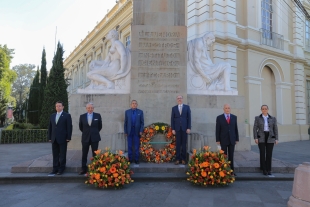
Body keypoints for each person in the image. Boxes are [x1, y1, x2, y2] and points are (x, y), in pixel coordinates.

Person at [48, 101, 72, 175]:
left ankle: (61, 168)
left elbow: (69, 127)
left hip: (63, 138)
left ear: (63, 107)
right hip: (54, 138)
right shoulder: (52, 115)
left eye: (59, 106)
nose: (58, 107)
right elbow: (50, 127)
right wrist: (49, 137)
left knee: (62, 154)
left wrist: (68, 137)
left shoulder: (67, 115)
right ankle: (55, 168)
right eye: (56, 106)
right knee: (55, 154)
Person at [253, 105, 278, 176]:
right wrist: (255, 138)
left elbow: (275, 129)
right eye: (263, 109)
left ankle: (268, 169)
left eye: (265, 109)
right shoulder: (257, 118)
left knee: (269, 154)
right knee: (262, 153)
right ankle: (263, 169)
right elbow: (255, 128)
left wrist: (276, 139)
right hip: (261, 137)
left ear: (268, 110)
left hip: (270, 137)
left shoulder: (273, 118)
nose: (264, 110)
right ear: (261, 110)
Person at [78, 102, 102, 175]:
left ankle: (95, 168)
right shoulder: (82, 116)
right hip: (85, 138)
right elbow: (81, 127)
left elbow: (99, 126)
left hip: (95, 137)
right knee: (84, 154)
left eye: (91, 108)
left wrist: (93, 132)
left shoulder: (98, 116)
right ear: (86, 108)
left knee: (95, 154)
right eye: (88, 108)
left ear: (93, 108)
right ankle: (83, 168)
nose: (90, 109)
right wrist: (87, 132)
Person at [216, 104, 239, 176]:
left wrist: (237, 138)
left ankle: (231, 171)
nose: (227, 109)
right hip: (223, 139)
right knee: (224, 155)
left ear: (230, 109)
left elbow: (235, 128)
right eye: (226, 108)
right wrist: (218, 139)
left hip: (232, 139)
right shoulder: (219, 118)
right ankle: (224, 171)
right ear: (223, 109)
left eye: (229, 108)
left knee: (231, 155)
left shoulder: (234, 117)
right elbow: (217, 130)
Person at [171, 95, 191, 165]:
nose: (179, 99)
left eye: (180, 98)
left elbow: (189, 118)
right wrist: (173, 129)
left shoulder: (187, 107)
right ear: (177, 100)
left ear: (182, 99)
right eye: (178, 98)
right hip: (177, 129)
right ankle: (177, 159)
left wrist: (189, 128)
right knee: (178, 144)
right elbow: (172, 119)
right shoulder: (174, 108)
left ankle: (183, 159)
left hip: (184, 129)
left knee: (184, 144)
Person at [124, 100, 144, 164]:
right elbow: (125, 123)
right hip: (129, 131)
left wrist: (141, 130)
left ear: (137, 105)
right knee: (129, 146)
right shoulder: (127, 112)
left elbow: (142, 123)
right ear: (131, 105)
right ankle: (130, 159)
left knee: (136, 146)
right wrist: (125, 131)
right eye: (133, 103)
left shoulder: (140, 112)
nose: (134, 104)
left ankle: (136, 159)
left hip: (137, 131)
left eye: (135, 103)